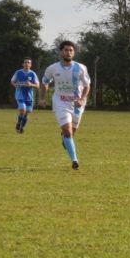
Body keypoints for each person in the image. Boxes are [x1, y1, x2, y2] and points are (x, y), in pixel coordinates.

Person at [39, 41, 90, 170]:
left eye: (71, 50)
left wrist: (83, 99)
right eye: (66, 50)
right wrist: (42, 98)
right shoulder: (52, 68)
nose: (68, 52)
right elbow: (44, 82)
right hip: (60, 102)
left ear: (74, 52)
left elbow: (86, 86)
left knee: (71, 133)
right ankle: (74, 160)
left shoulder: (81, 68)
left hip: (77, 104)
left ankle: (65, 139)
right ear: (61, 52)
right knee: (68, 132)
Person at [11, 57, 39, 133]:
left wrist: (31, 84)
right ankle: (19, 123)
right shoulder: (18, 72)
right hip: (20, 94)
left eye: (28, 62)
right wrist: (16, 85)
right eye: (25, 62)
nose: (27, 64)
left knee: (27, 112)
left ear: (31, 65)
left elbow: (37, 85)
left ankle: (21, 127)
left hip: (29, 96)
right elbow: (12, 81)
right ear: (23, 64)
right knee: (23, 109)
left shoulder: (33, 74)